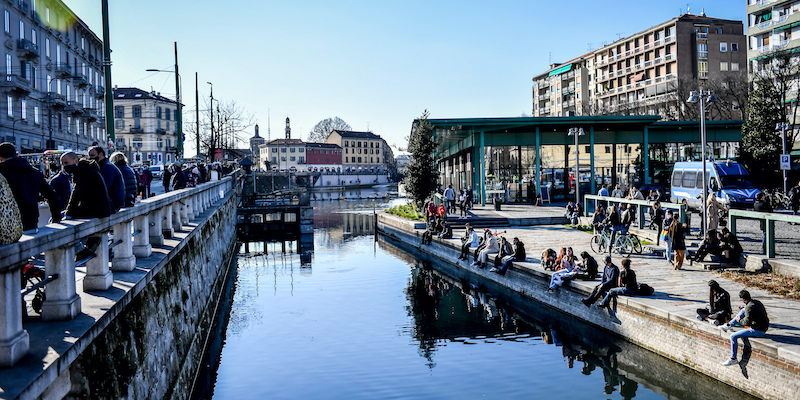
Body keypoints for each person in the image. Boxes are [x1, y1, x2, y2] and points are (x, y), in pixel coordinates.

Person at [0, 142, 61, 231]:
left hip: (7, 221)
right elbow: (52, 195)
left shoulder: (2, 173)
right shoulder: (34, 172)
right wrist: (56, 219)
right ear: (17, 154)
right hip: (30, 219)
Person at [721, 290, 769, 366]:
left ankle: (733, 358)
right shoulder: (756, 302)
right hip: (763, 327)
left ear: (743, 299)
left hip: (757, 330)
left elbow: (746, 323)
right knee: (744, 310)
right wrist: (745, 309)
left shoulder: (749, 307)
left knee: (733, 336)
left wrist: (739, 320)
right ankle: (729, 325)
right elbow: (751, 311)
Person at [60, 151, 113, 219]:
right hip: (101, 209)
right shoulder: (88, 169)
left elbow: (77, 193)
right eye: (63, 164)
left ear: (75, 160)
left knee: (60, 217)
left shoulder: (83, 172)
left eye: (66, 163)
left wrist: (68, 213)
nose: (65, 166)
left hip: (96, 210)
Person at [88, 145, 124, 212]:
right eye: (89, 156)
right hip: (112, 204)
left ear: (101, 154)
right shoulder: (105, 166)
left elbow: (104, 188)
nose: (90, 158)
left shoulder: (108, 167)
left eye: (92, 155)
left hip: (112, 205)